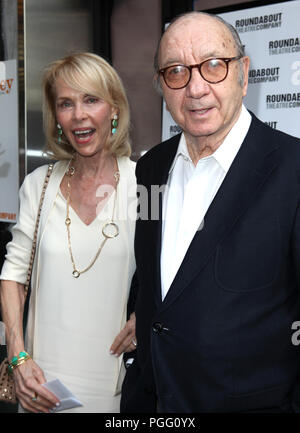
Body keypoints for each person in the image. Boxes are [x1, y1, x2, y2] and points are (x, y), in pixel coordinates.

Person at [121, 11, 300, 413]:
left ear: (244, 73)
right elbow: (154, 275)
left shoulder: (293, 169)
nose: (196, 88)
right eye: (176, 72)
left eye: (214, 66)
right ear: (161, 86)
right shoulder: (151, 167)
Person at [0, 52, 137, 413]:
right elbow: (13, 275)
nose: (78, 115)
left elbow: (177, 272)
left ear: (114, 109)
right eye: (66, 103)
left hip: (112, 385)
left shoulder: (143, 185)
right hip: (39, 382)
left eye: (91, 99)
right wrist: (18, 358)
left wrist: (151, 314)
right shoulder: (38, 185)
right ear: (57, 117)